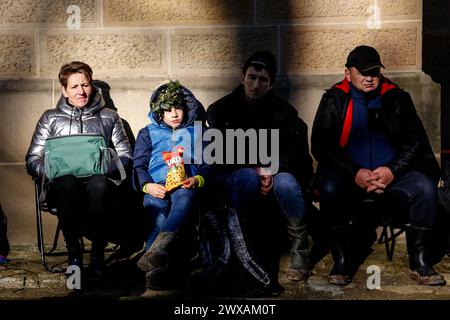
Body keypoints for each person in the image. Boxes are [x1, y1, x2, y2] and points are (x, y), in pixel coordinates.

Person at [311, 45, 445, 286]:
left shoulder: (397, 97)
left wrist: (391, 171)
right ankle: (341, 260)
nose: (369, 77)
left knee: (424, 188)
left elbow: (416, 141)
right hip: (349, 175)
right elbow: (320, 146)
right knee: (329, 188)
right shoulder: (333, 98)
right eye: (362, 72)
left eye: (374, 71)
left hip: (393, 173)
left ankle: (420, 261)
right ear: (347, 72)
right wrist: (355, 173)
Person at [207, 51, 314, 290]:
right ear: (242, 77)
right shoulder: (220, 110)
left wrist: (269, 169)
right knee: (246, 177)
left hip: (275, 171)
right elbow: (219, 153)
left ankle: (300, 249)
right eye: (252, 77)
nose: (256, 84)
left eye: (263, 79)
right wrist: (255, 169)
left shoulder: (284, 112)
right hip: (237, 175)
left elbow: (293, 151)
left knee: (287, 183)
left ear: (271, 84)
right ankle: (246, 243)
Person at [25, 61, 132, 280]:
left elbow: (126, 155)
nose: (80, 91)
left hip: (100, 188)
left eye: (85, 85)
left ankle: (96, 255)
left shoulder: (109, 116)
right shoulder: (50, 118)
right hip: (63, 189)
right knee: (67, 183)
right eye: (74, 86)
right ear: (64, 90)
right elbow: (32, 159)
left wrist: (103, 166)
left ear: (92, 86)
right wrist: (50, 170)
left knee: (98, 184)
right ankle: (74, 253)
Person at [133, 80, 211, 289]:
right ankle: (154, 272)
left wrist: (198, 179)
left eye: (178, 108)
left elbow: (209, 164)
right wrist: (146, 185)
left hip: (186, 182)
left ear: (187, 109)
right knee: (156, 213)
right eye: (168, 110)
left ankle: (157, 251)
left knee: (181, 204)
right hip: (156, 184)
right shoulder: (147, 133)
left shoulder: (199, 132)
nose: (174, 113)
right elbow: (139, 164)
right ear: (160, 113)